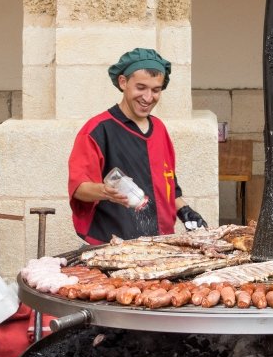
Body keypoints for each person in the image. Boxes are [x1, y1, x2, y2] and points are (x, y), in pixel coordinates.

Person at [68, 48, 207, 245]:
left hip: (161, 242)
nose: (148, 97)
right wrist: (106, 191)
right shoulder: (97, 130)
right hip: (113, 244)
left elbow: (168, 185)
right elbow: (79, 187)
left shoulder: (159, 129)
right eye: (141, 87)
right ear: (123, 82)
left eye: (156, 90)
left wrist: (184, 210)